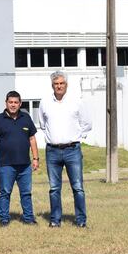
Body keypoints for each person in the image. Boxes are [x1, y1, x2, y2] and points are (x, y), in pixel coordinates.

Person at [37, 70, 93, 228]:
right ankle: (55, 220)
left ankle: (81, 220)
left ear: (66, 85)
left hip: (72, 150)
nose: (59, 86)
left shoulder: (77, 101)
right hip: (52, 151)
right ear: (52, 85)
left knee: (78, 187)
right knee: (54, 188)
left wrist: (76, 136)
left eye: (61, 83)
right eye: (56, 84)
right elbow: (43, 124)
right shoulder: (45, 102)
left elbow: (87, 123)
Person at [0, 91, 40, 226]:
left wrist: (35, 158)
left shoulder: (26, 118)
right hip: (6, 165)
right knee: (5, 192)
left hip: (25, 165)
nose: (13, 105)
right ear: (6, 103)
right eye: (10, 102)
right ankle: (4, 219)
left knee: (26, 193)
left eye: (16, 102)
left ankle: (28, 218)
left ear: (20, 103)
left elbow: (32, 138)